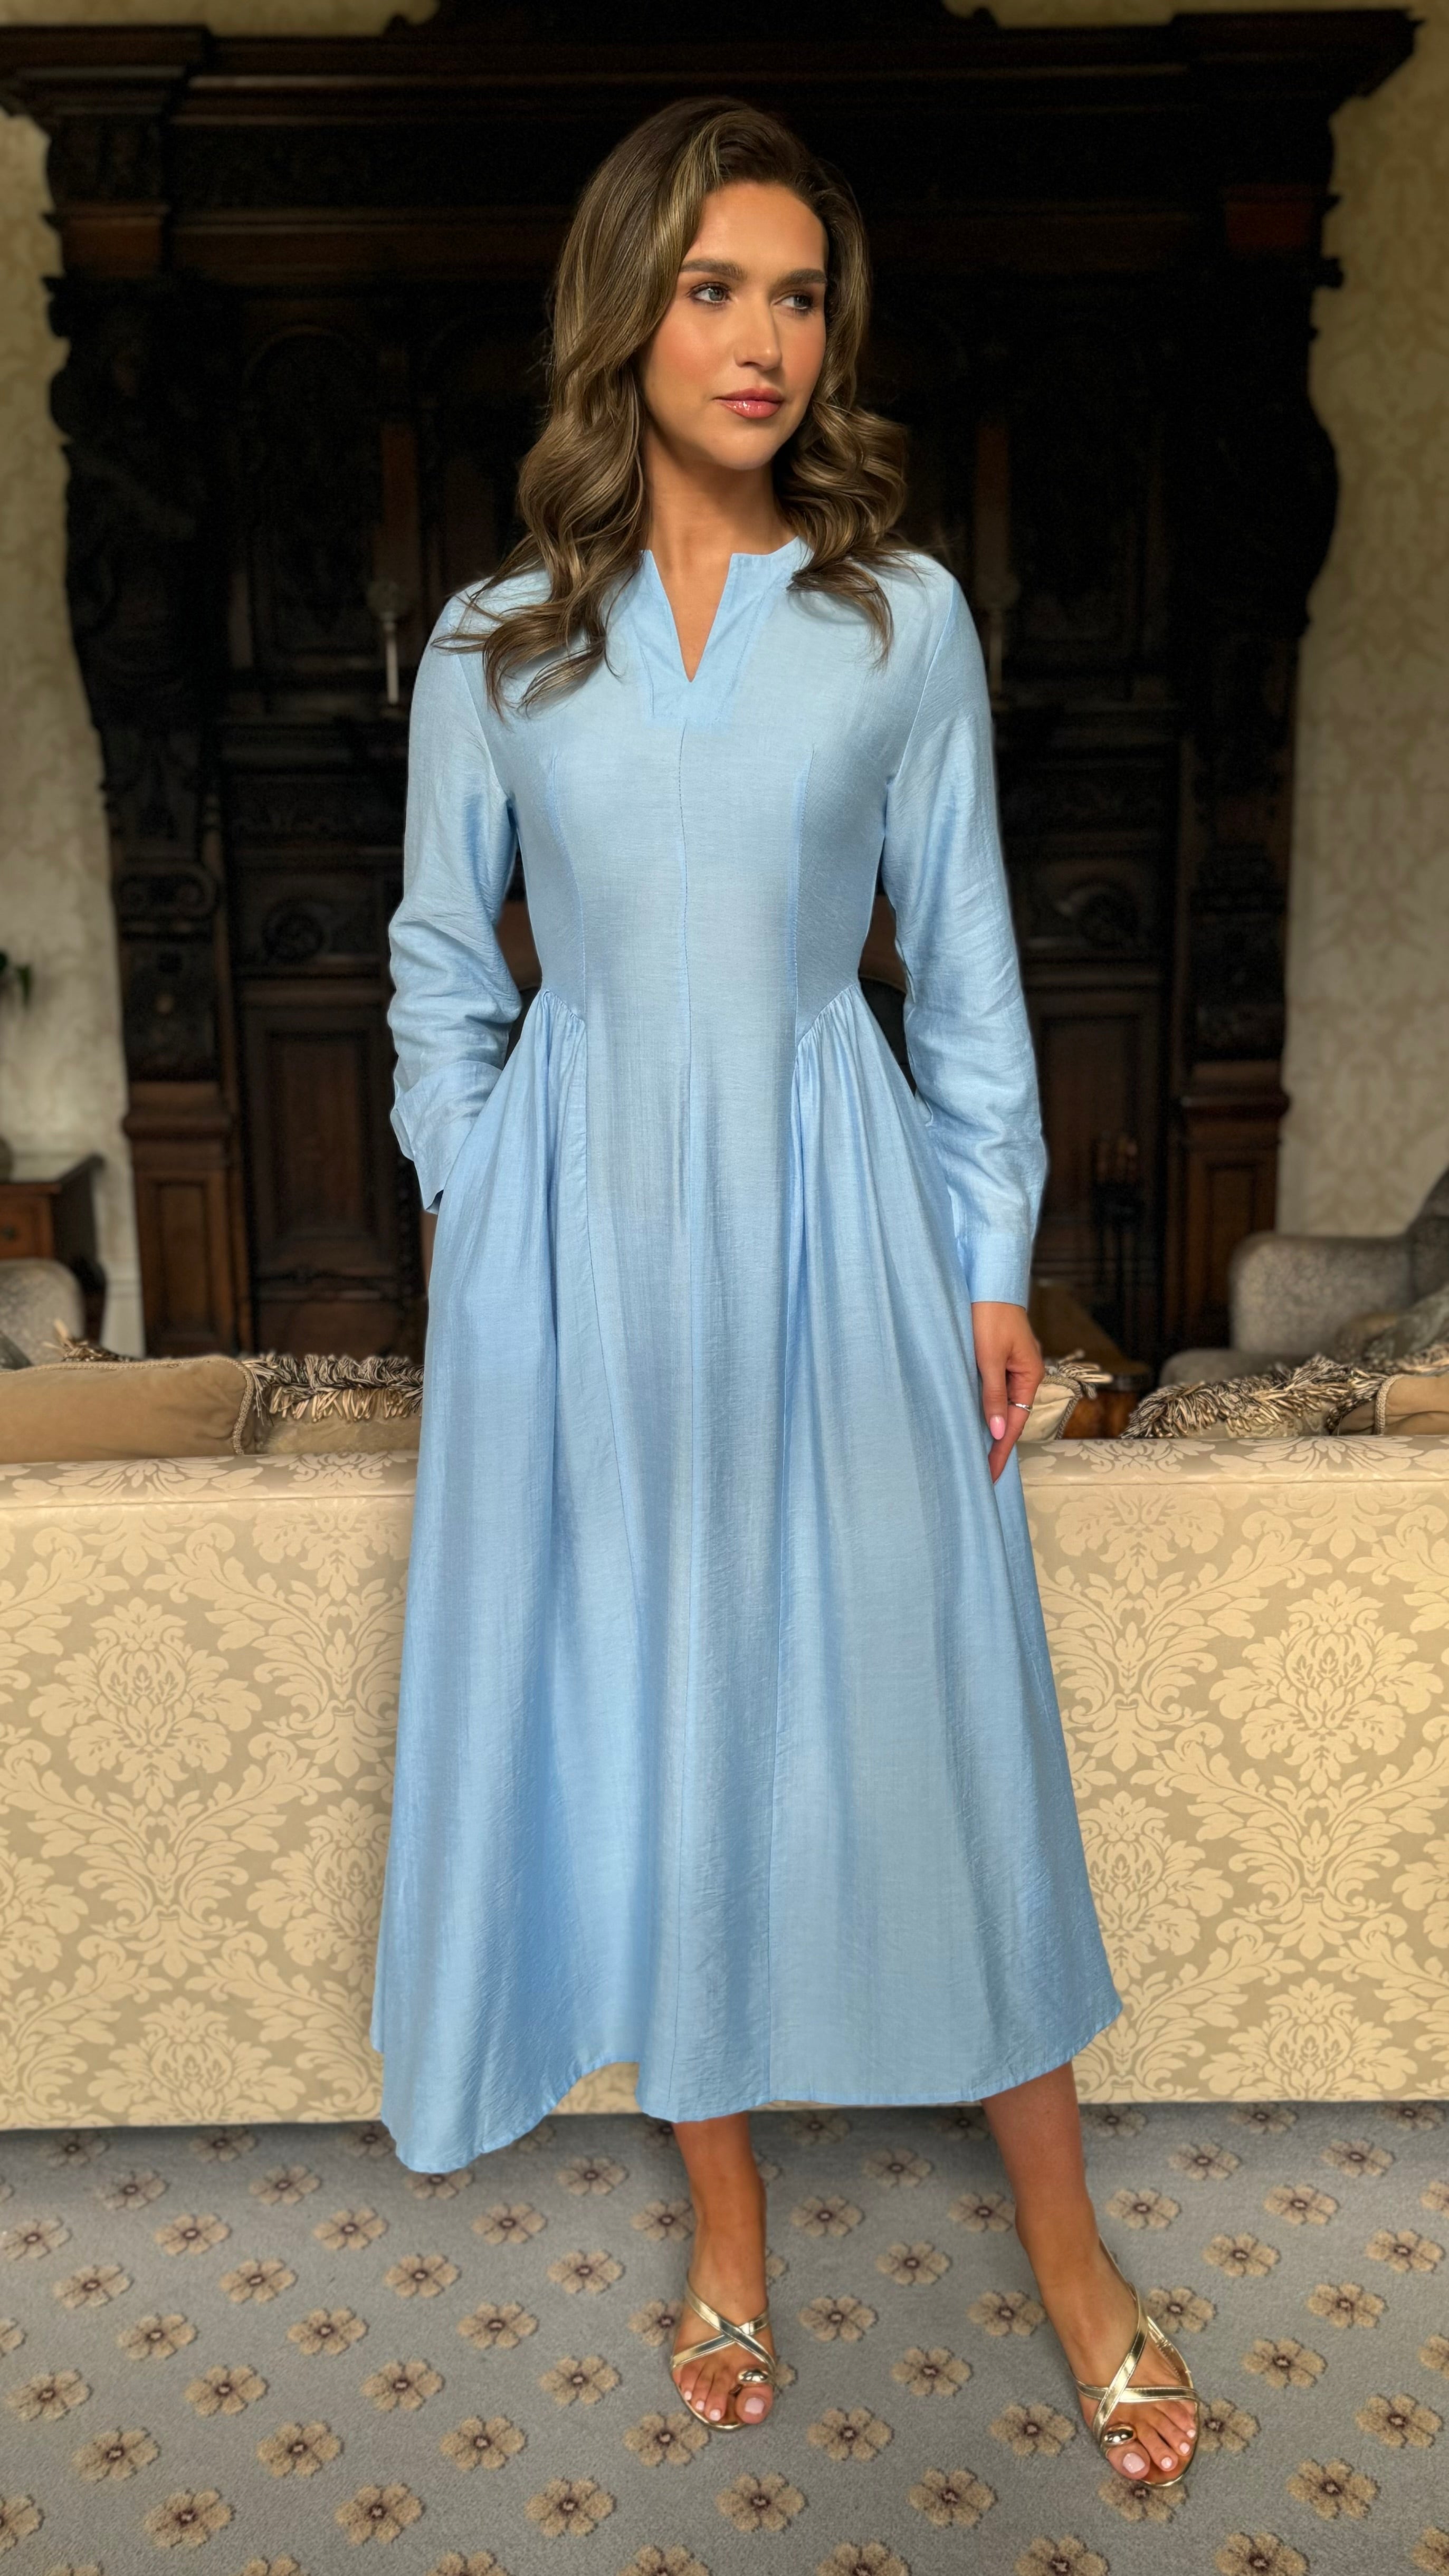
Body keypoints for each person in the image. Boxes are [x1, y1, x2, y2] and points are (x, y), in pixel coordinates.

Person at [369, 94, 1200, 2489]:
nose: (762, 339)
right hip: (582, 1242)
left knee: (943, 1710)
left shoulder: (895, 618)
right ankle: (727, 2226)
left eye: (800, 294)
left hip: (843, 1210)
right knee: (659, 1713)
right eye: (713, 288)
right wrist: (482, 1199)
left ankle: (1069, 2251)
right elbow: (438, 965)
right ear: (626, 316)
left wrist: (987, 1262)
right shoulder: (495, 643)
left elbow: (969, 967)